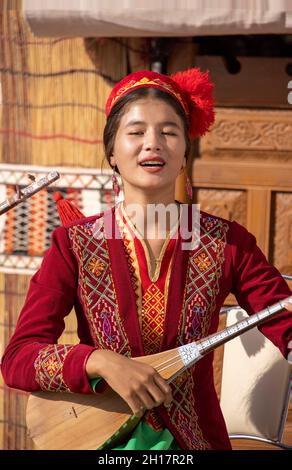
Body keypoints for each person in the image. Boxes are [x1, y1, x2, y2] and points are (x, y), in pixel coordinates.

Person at [1, 68, 292, 451]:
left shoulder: (228, 243)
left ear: (185, 151)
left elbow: (282, 319)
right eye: (136, 132)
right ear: (112, 153)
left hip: (193, 444)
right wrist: (100, 362)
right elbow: (20, 358)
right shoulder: (74, 244)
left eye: (169, 132)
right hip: (100, 441)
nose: (152, 143)